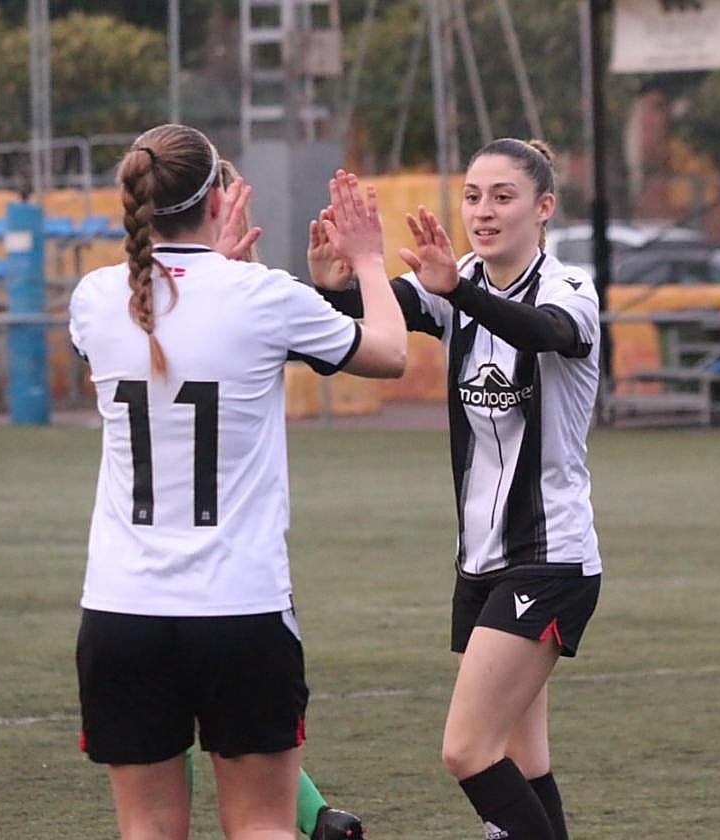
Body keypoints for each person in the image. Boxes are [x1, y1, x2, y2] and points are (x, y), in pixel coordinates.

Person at [68, 123, 406, 840]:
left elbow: (173, 317)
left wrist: (208, 268)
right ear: (220, 200)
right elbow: (390, 352)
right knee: (261, 826)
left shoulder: (95, 297)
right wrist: (369, 261)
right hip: (239, 609)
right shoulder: (262, 296)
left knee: (148, 832)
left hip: (122, 613)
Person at [310, 138, 601, 840]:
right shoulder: (455, 282)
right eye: (473, 195)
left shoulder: (570, 288)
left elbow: (544, 332)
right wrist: (331, 283)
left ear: (544, 208)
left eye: (504, 196)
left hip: (550, 558)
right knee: (521, 760)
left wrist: (457, 290)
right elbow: (379, 316)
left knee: (466, 751)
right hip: (480, 564)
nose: (484, 210)